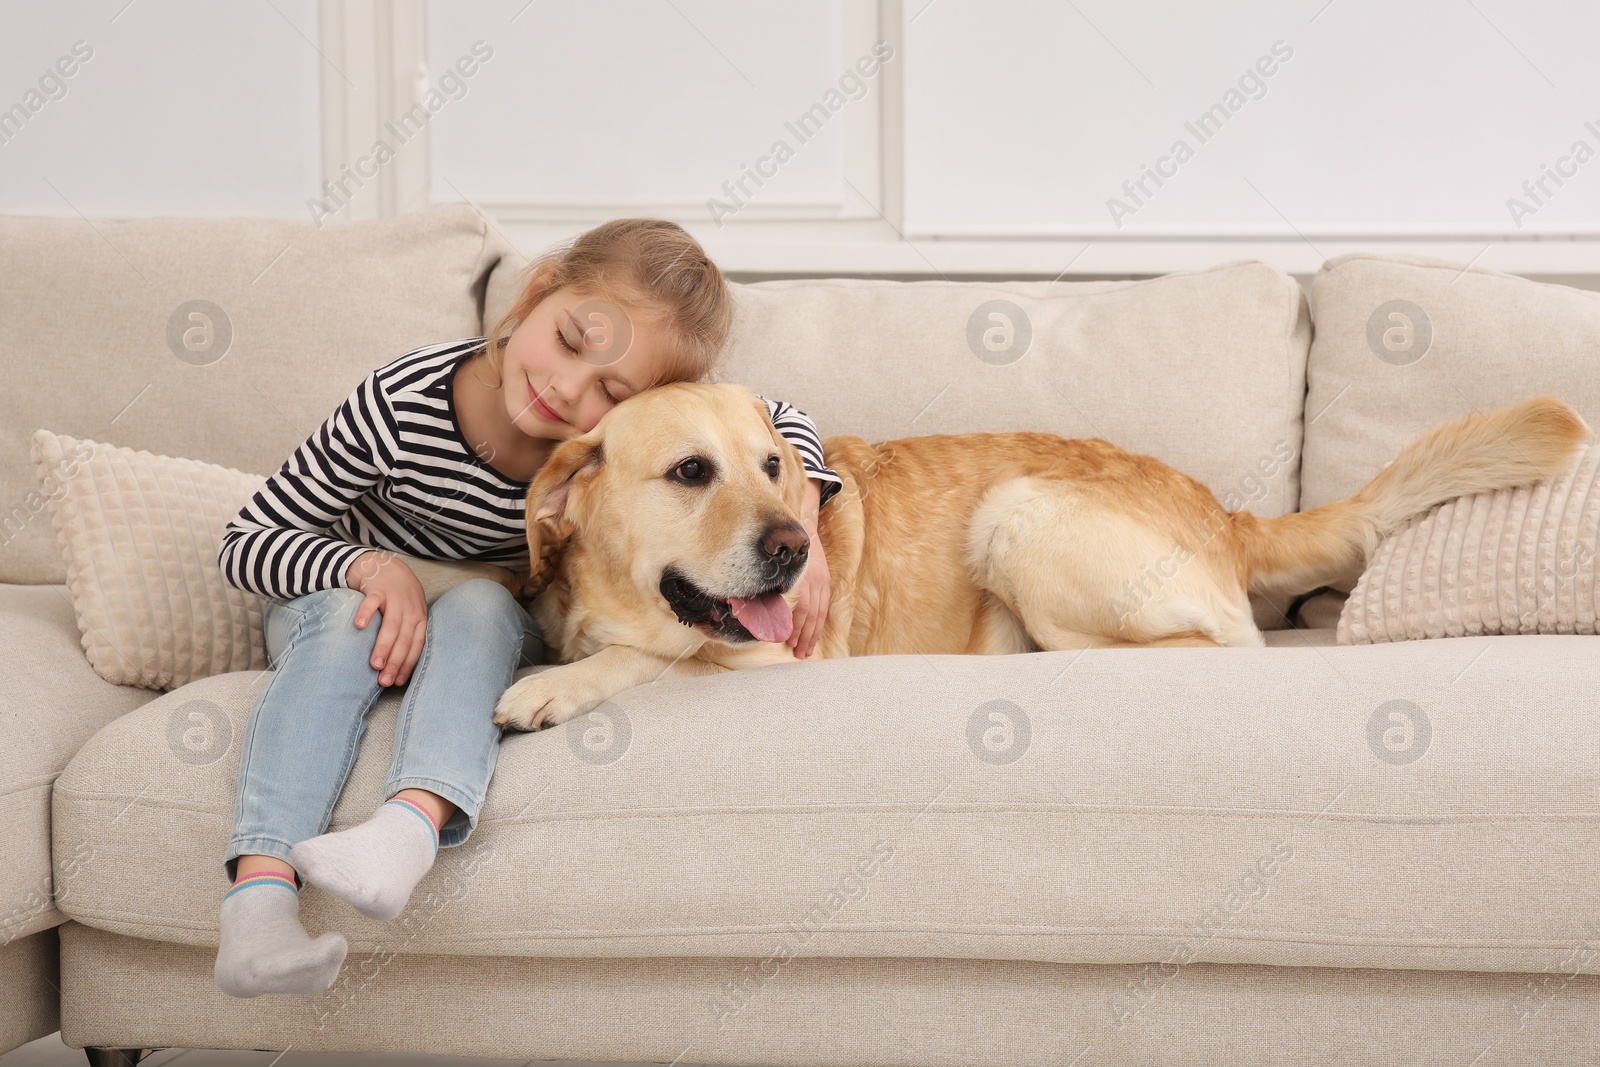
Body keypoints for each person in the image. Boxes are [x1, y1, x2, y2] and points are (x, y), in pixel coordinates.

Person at [211, 218, 843, 998]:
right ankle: (261, 900)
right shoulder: (397, 404)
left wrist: (804, 515)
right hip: (341, 599)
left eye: (613, 390)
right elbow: (249, 537)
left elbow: (777, 418)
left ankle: (408, 829)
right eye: (571, 340)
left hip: (464, 609)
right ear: (537, 293)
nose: (570, 388)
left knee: (483, 603)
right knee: (349, 623)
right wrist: (370, 566)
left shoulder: (600, 452)